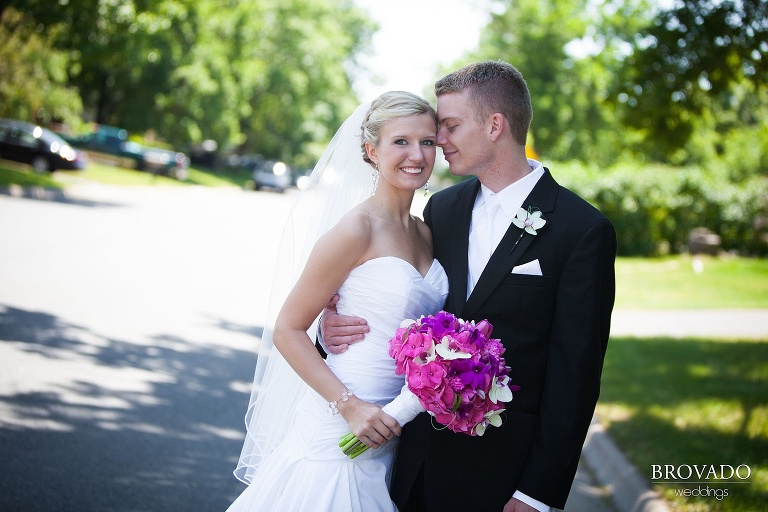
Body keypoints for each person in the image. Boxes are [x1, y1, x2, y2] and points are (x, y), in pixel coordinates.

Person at [321, 61, 617, 512]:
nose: (439, 141)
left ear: (495, 125)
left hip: (501, 475)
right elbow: (406, 299)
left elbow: (575, 376)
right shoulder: (444, 209)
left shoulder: (581, 230)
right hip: (410, 460)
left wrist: (538, 492)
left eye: (451, 126)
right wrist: (332, 323)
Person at [227, 91, 449, 512]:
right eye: (400, 141)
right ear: (371, 150)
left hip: (396, 424)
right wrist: (349, 407)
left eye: (427, 142)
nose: (416, 154)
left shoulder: (427, 231)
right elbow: (288, 329)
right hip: (342, 421)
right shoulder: (355, 229)